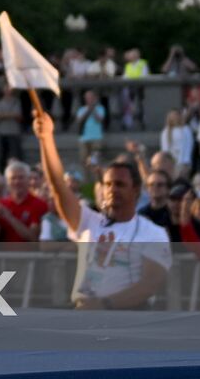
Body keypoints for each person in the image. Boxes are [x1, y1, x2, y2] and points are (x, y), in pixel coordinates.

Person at [33, 107, 170, 309]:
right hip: (85, 314)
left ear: (136, 190)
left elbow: (149, 285)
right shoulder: (89, 222)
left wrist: (104, 304)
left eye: (120, 184)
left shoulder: (153, 233)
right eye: (108, 184)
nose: (113, 189)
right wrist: (46, 140)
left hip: (128, 317)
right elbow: (58, 187)